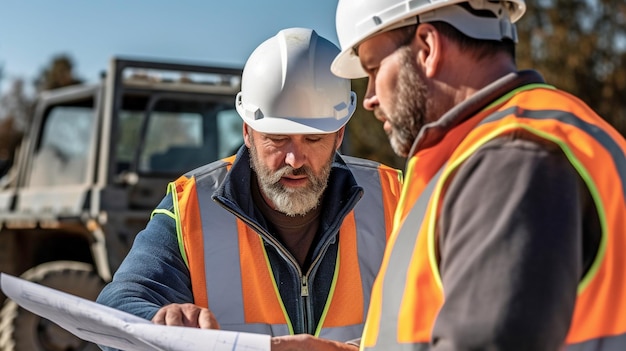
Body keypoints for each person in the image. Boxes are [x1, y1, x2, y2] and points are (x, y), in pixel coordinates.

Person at [273, 1, 626, 350]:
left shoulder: (513, 161)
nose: (370, 98)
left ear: (426, 48)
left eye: (374, 68)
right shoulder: (488, 153)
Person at [96, 27, 402, 350]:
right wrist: (163, 322)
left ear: (339, 136)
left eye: (313, 139)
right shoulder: (191, 207)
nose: (295, 159)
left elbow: (449, 315)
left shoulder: (394, 198)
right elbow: (116, 306)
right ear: (247, 131)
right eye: (277, 138)